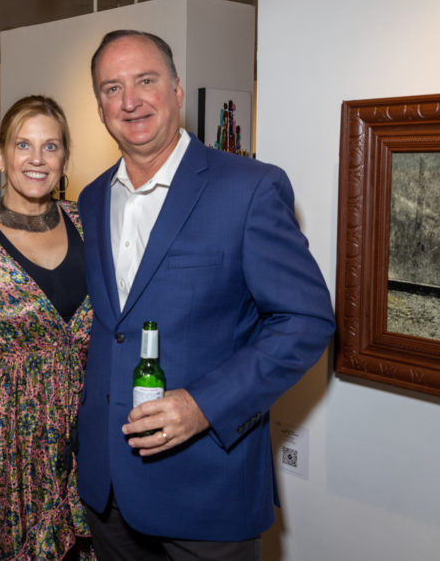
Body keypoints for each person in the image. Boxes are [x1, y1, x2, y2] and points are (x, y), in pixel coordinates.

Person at [77, 30, 336, 560]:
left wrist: (203, 405)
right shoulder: (92, 195)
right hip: (108, 488)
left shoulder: (248, 188)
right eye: (112, 88)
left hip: (207, 484)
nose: (130, 101)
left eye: (145, 81)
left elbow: (305, 319)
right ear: (100, 106)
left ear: (176, 89)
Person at [0, 96, 94, 559]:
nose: (36, 159)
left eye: (50, 147)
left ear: (65, 158)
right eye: (23, 145)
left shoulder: (88, 222)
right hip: (7, 428)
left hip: (88, 418)